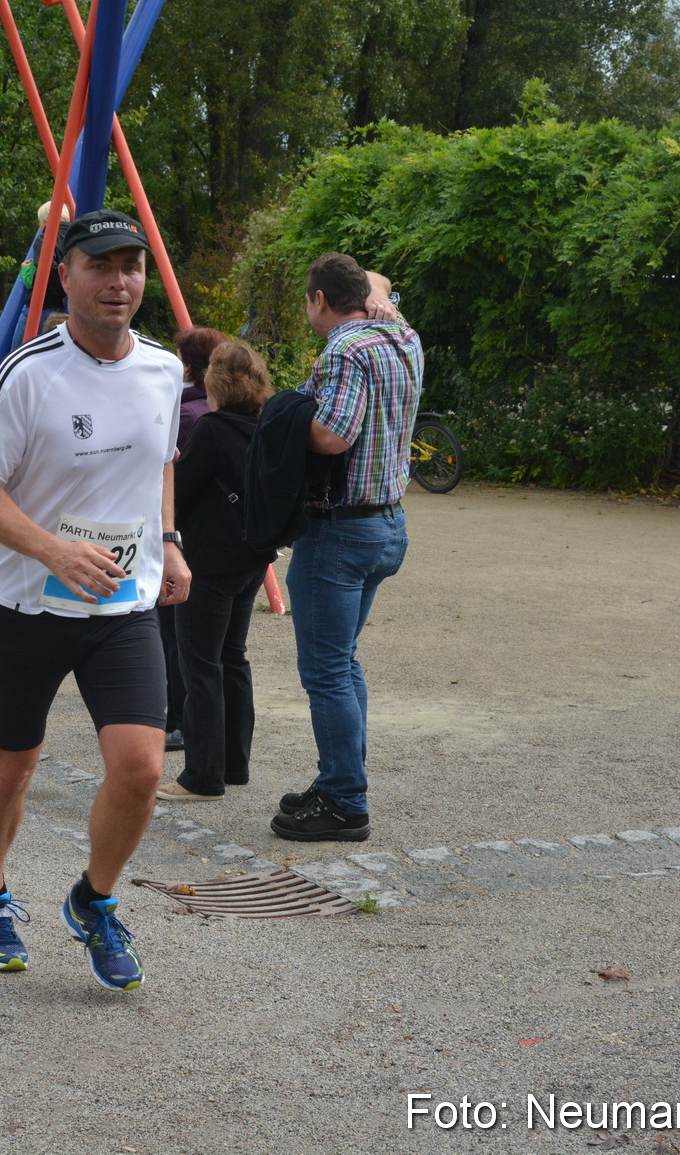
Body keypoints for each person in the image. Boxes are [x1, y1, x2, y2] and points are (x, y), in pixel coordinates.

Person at [0, 209, 189, 992]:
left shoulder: (163, 369)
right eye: (100, 265)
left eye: (132, 265)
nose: (119, 281)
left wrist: (172, 538)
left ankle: (94, 899)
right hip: (28, 607)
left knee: (141, 769)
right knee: (12, 766)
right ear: (67, 276)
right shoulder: (27, 373)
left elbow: (161, 461)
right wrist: (53, 549)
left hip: (122, 607)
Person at [273, 253, 422, 843]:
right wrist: (379, 292)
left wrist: (280, 417)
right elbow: (376, 282)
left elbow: (333, 436)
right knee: (344, 661)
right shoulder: (401, 332)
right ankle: (341, 776)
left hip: (339, 532)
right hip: (388, 525)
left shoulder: (344, 349)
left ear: (318, 300)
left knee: (327, 670)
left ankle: (344, 800)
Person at [157, 340, 278, 800]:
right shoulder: (264, 426)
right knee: (233, 658)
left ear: (216, 382)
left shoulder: (210, 429)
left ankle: (202, 776)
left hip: (209, 562)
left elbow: (180, 495)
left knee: (199, 665)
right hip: (251, 559)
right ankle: (234, 764)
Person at [159, 327, 228, 754]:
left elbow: (177, 483)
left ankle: (178, 720)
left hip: (186, 539)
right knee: (225, 652)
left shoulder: (186, 415)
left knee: (178, 637)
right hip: (222, 541)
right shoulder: (218, 411)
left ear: (187, 365)